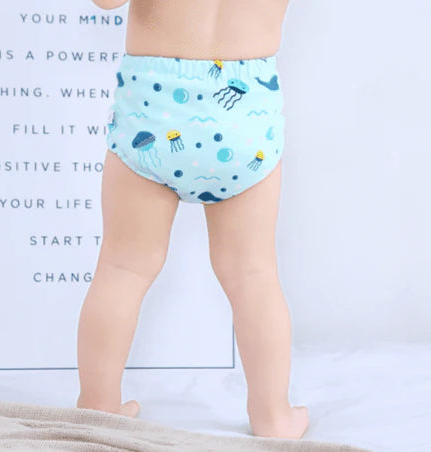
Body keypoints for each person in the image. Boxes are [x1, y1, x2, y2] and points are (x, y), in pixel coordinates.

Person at [76, 0, 309, 439]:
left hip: (154, 100)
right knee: (253, 275)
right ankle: (273, 417)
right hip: (245, 111)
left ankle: (97, 406)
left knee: (123, 268)